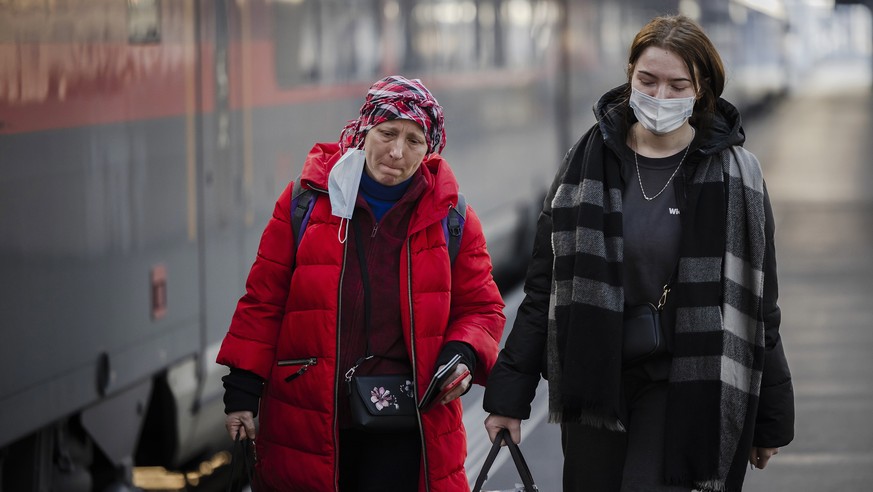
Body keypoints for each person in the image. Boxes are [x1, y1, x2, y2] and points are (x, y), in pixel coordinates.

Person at [482, 15, 794, 492]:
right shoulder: (585, 163)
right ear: (629, 75)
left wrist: (769, 417)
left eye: (677, 85)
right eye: (648, 81)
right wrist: (509, 396)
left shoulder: (738, 176)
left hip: (685, 378)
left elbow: (758, 304)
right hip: (597, 374)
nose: (660, 97)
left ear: (701, 90)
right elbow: (543, 286)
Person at [216, 75, 506, 491]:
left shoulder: (451, 217)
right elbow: (264, 300)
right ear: (364, 130)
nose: (397, 152)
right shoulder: (306, 200)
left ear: (430, 149)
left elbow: (483, 309)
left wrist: (462, 352)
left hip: (408, 420)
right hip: (308, 415)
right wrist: (243, 388)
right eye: (387, 133)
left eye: (414, 141)